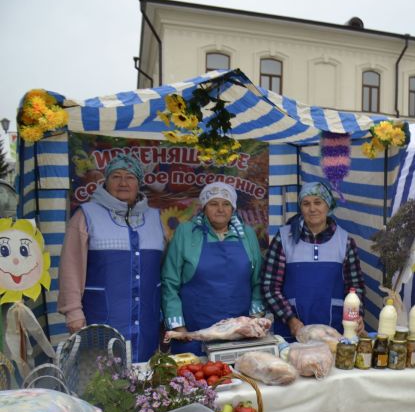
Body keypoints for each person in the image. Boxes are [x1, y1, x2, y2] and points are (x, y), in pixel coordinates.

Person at [58, 154, 165, 362]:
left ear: (139, 183)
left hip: (146, 322)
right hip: (102, 319)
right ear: (106, 181)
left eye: (130, 177)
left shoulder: (155, 218)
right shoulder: (86, 215)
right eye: (116, 176)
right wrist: (73, 312)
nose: (123, 183)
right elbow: (70, 268)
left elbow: (162, 269)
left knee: (145, 382)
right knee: (102, 383)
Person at [161, 182, 264, 355]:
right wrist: (178, 327)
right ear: (204, 207)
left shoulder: (247, 234)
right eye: (213, 204)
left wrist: (254, 321)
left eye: (226, 204)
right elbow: (170, 282)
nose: (220, 209)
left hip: (240, 334)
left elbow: (258, 282)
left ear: (233, 208)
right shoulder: (186, 233)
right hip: (195, 332)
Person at [262, 181, 365, 340]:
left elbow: (355, 286)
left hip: (334, 331)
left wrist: (357, 316)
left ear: (328, 206)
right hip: (292, 331)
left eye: (318, 202)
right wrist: (291, 320)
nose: (312, 209)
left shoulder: (344, 241)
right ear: (300, 208)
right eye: (306, 203)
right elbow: (270, 286)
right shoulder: (284, 238)